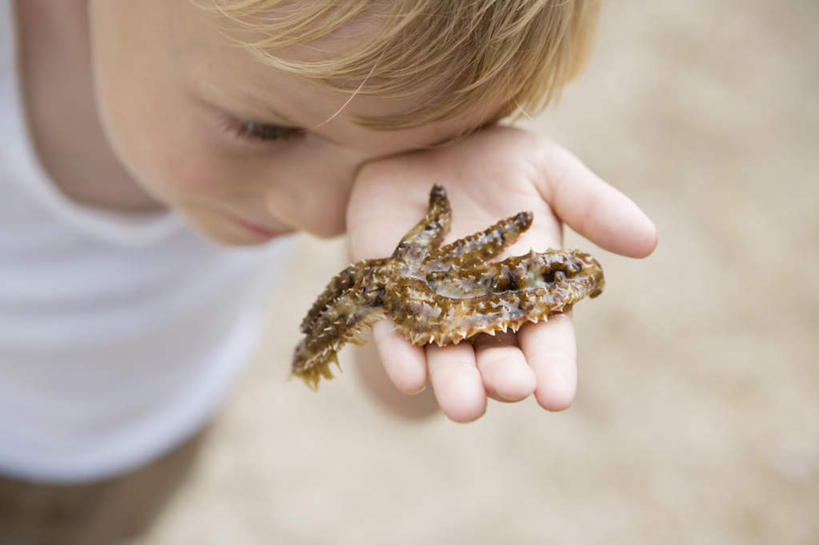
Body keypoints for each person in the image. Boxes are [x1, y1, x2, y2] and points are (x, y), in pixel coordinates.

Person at [0, 0, 657, 543]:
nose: (321, 215)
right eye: (264, 129)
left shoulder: (263, 81)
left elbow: (392, 380)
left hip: (137, 441)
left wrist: (443, 333)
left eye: (423, 147)